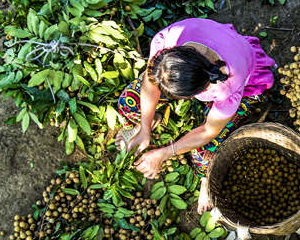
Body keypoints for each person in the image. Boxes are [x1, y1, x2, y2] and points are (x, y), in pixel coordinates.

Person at [115, 18, 276, 213]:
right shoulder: (165, 42)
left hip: (246, 82)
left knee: (203, 153)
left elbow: (208, 131)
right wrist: (144, 127)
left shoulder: (227, 86)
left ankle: (205, 179)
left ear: (198, 92)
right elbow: (150, 83)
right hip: (213, 54)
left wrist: (164, 153)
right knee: (128, 103)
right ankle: (155, 119)